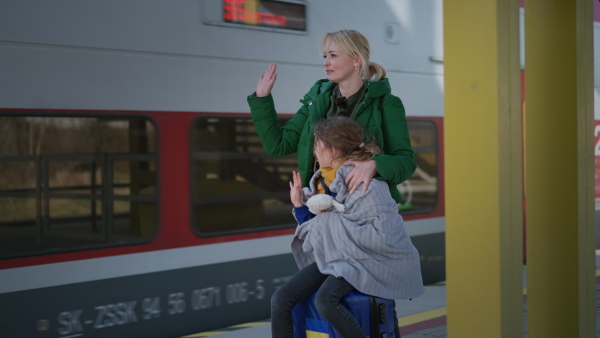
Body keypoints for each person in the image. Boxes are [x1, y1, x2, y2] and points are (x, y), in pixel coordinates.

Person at [271, 116, 423, 337]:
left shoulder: (368, 184)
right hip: (336, 256)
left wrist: (329, 220)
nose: (314, 151)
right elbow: (317, 229)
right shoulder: (320, 183)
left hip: (367, 258)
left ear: (332, 150)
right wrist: (298, 204)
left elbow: (383, 236)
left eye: (317, 145)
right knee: (281, 299)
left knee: (326, 301)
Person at [247, 29, 415, 204]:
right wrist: (262, 99)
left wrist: (375, 165)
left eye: (333, 56)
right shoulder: (316, 102)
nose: (326, 63)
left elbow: (406, 163)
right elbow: (277, 146)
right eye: (325, 56)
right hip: (320, 208)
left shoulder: (386, 104)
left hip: (365, 210)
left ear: (357, 59)